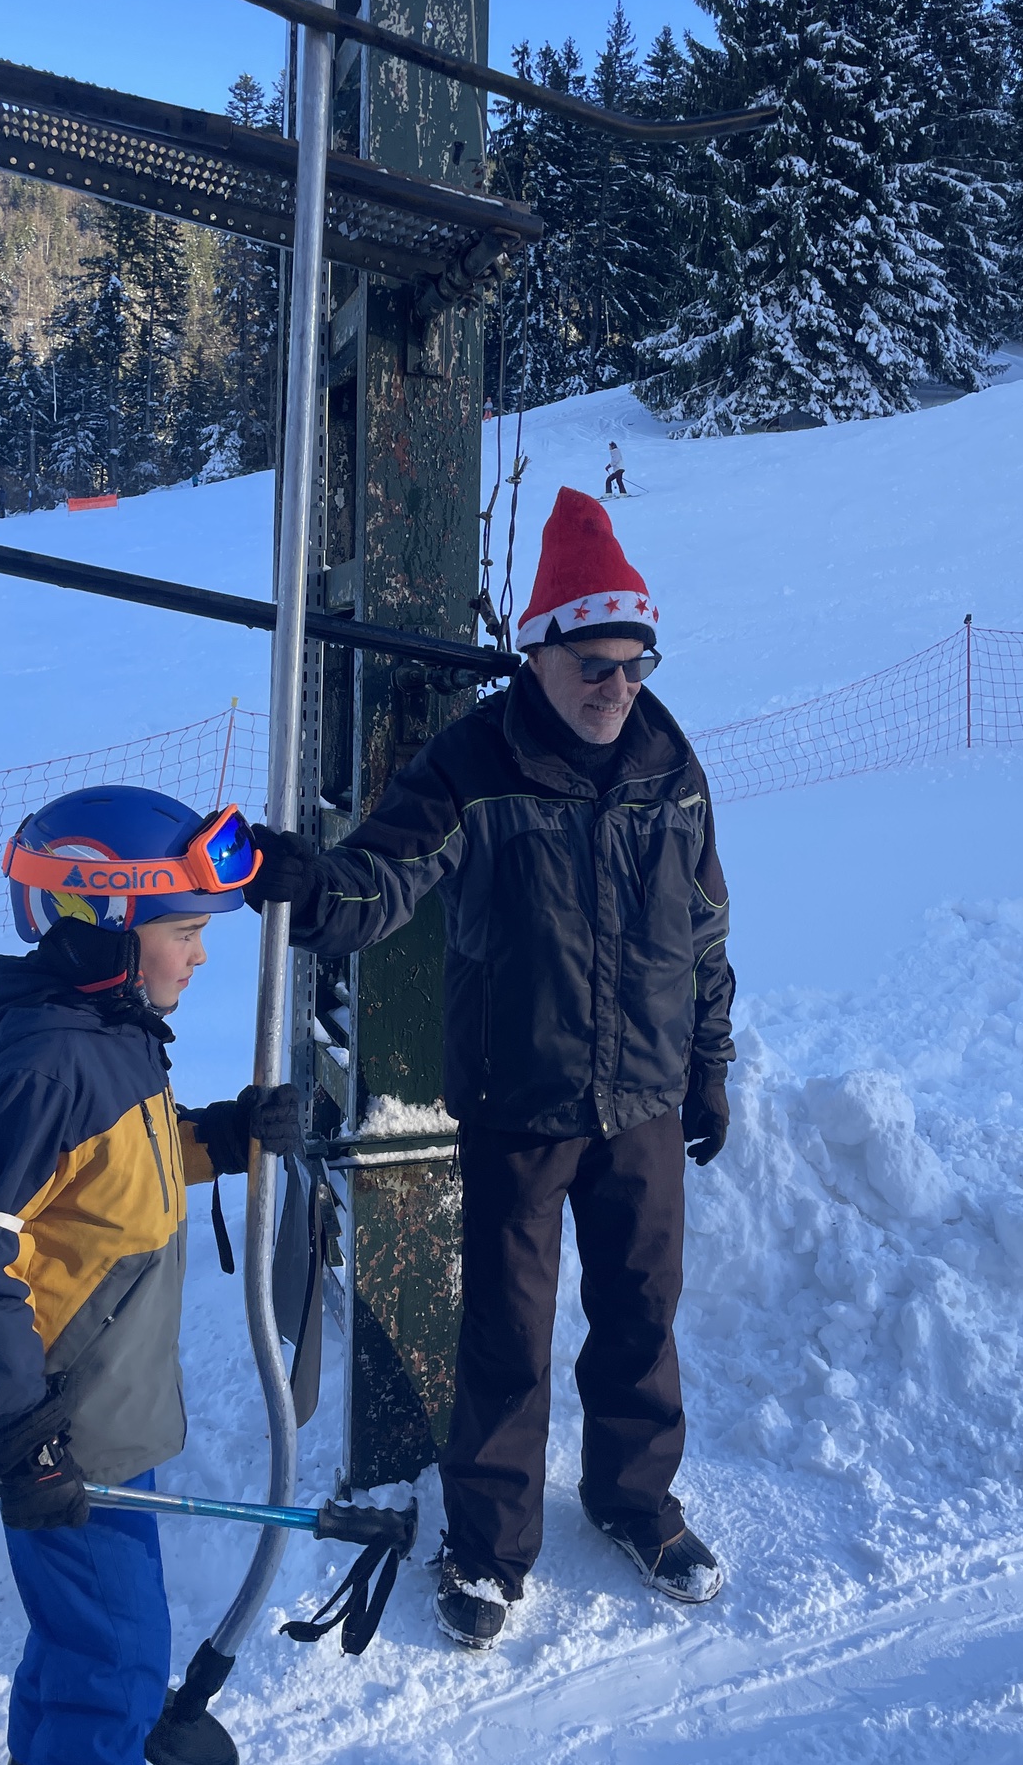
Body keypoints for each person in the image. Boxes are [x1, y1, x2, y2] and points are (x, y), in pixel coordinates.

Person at [245, 488, 734, 1651]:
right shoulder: (475, 763)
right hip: (520, 1098)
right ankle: (489, 1544)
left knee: (641, 1314)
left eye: (635, 661)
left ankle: (636, 1501)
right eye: (594, 663)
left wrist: (708, 1060)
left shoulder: (671, 766)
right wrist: (309, 883)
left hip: (646, 1100)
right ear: (541, 649)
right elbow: (384, 878)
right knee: (506, 1335)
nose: (617, 687)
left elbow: (706, 926)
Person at [0, 786, 300, 1765]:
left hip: (110, 1431)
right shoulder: (45, 1062)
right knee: (118, 1673)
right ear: (106, 917)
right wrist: (20, 1434)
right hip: (60, 1433)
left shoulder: (116, 1038)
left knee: (81, 1659)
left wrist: (221, 1137)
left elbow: (116, 1176)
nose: (199, 954)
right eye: (186, 928)